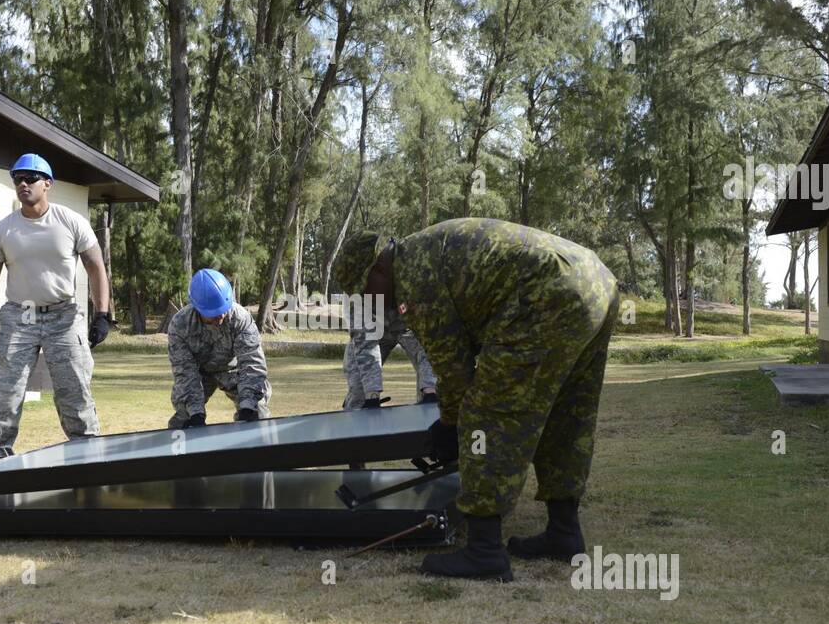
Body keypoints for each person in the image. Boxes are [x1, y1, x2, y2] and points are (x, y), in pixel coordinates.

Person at [333, 218, 620, 582]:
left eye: (366, 290)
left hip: (547, 295)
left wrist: (450, 426)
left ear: (378, 268)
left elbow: (454, 372)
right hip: (595, 281)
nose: (372, 302)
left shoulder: (414, 276)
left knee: (488, 413)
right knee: (568, 411)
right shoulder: (424, 248)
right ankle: (564, 531)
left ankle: (484, 550)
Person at [0, 153, 112, 460]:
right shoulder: (3, 230)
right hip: (18, 316)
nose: (23, 184)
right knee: (5, 395)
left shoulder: (71, 222)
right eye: (17, 179)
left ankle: (85, 457)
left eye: (30, 178)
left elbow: (96, 267)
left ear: (47, 184)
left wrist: (102, 314)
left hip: (63, 314)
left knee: (74, 390)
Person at [167, 268, 271, 428]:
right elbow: (185, 372)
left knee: (257, 413)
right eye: (214, 313)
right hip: (199, 373)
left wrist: (248, 406)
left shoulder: (240, 318)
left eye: (223, 309)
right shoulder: (180, 325)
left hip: (234, 370)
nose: (221, 315)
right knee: (184, 419)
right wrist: (196, 413)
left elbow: (252, 364)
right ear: (197, 308)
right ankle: (179, 452)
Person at [342, 303, 438, 409]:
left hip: (409, 325)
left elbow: (430, 342)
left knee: (435, 392)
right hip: (372, 326)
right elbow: (365, 346)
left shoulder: (418, 291)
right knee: (358, 389)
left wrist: (430, 389)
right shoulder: (356, 296)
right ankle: (357, 417)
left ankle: (431, 414)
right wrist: (372, 396)